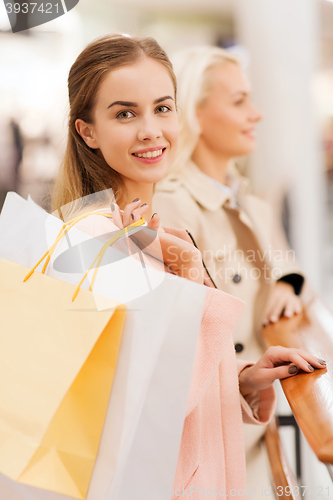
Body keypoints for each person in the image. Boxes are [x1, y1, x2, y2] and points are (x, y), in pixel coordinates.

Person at [51, 35, 325, 497]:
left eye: (162, 108)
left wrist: (243, 377)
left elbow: (167, 373)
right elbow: (134, 409)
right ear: (87, 131)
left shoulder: (148, 232)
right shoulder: (94, 241)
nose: (150, 130)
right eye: (124, 113)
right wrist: (187, 270)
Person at [152, 46, 307, 494]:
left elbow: (285, 263)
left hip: (256, 423)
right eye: (239, 101)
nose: (256, 114)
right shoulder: (171, 205)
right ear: (193, 113)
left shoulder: (247, 198)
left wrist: (287, 284)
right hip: (213, 439)